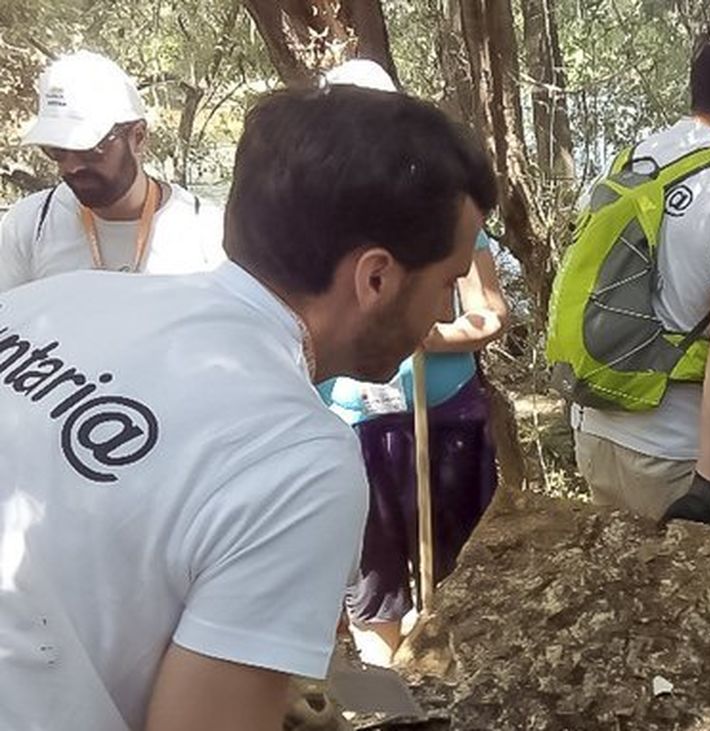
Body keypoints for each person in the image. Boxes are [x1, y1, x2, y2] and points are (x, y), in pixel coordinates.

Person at [0, 85, 496, 730]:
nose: (445, 309)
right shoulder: (300, 459)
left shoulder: (50, 302)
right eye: (448, 281)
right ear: (376, 278)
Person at [565, 17, 710, 730]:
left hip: (600, 429)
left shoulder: (635, 161)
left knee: (642, 604)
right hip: (677, 449)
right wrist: (709, 484)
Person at [317, 59, 511, 668]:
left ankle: (455, 688)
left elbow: (491, 314)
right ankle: (388, 699)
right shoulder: (313, 223)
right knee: (372, 585)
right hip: (355, 424)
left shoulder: (446, 213)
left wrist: (426, 334)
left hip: (444, 418)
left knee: (462, 574)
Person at [0, 51, 223, 292]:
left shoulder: (206, 232)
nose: (72, 166)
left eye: (90, 149)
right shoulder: (29, 226)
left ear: (138, 137)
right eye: (56, 150)